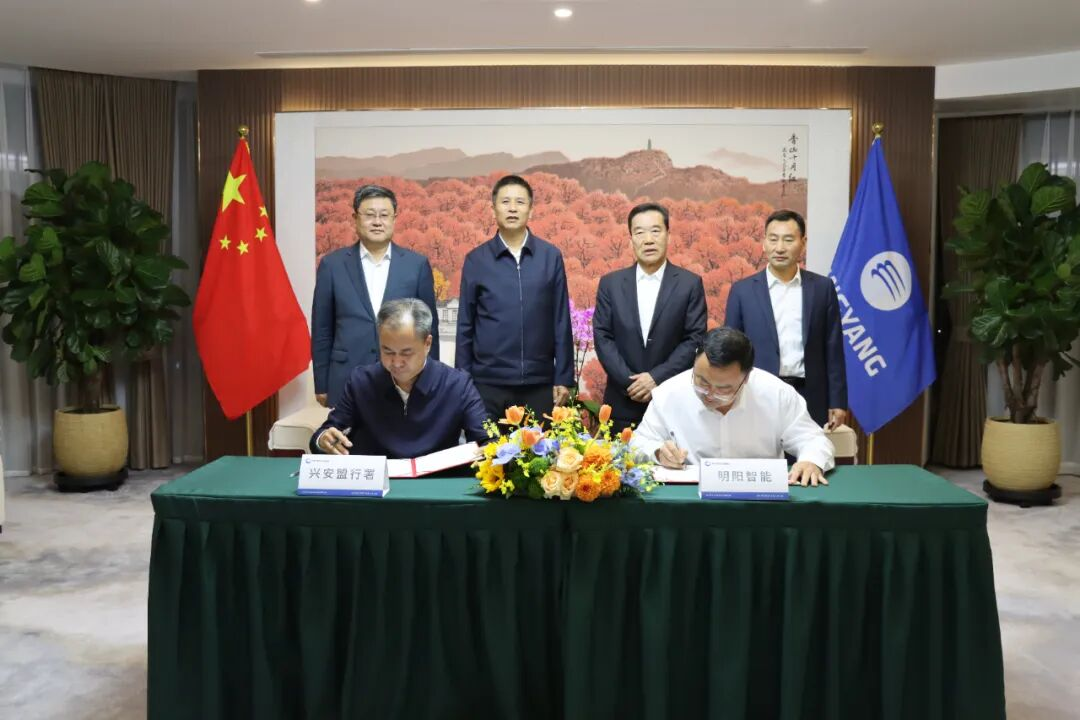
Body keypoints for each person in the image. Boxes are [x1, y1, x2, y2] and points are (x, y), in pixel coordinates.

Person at [633, 327, 834, 486]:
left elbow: (812, 438)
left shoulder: (777, 394)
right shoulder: (668, 394)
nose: (709, 394)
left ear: (746, 378)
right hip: (692, 499)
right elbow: (637, 443)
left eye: (723, 389)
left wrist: (810, 461)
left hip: (760, 497)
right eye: (702, 382)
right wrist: (658, 452)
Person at [455, 174, 574, 421]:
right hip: (487, 384)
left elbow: (561, 319)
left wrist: (563, 377)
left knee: (538, 447)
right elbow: (466, 325)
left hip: (539, 383)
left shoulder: (550, 257)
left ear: (531, 209)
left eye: (520, 202)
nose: (512, 208)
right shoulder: (476, 260)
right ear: (493, 209)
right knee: (488, 447)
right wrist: (463, 380)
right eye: (505, 201)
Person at [311, 184, 439, 408]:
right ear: (355, 218)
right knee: (348, 432)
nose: (377, 222)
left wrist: (432, 380)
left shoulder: (416, 265)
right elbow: (322, 328)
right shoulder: (332, 265)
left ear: (394, 219)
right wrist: (321, 382)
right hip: (346, 376)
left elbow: (429, 328)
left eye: (384, 215)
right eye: (370, 215)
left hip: (404, 377)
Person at [311, 298, 487, 459]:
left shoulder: (458, 385)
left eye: (406, 353)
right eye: (387, 351)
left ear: (427, 343)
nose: (396, 362)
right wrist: (323, 439)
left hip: (436, 479)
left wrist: (488, 449)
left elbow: (486, 438)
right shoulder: (361, 381)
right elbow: (325, 433)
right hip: (378, 479)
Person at [725, 209, 847, 429]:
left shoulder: (822, 288)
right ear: (764, 243)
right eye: (773, 239)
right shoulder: (742, 291)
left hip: (810, 396)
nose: (779, 247)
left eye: (788, 240)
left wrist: (837, 400)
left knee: (806, 451)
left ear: (803, 243)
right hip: (757, 396)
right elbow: (731, 351)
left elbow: (833, 347)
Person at [593, 202, 707, 432]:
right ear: (630, 240)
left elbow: (694, 338)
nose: (648, 240)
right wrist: (631, 382)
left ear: (668, 235)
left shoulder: (689, 284)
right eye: (639, 232)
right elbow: (603, 336)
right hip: (623, 401)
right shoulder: (611, 284)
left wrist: (656, 378)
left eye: (655, 231)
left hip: (672, 401)